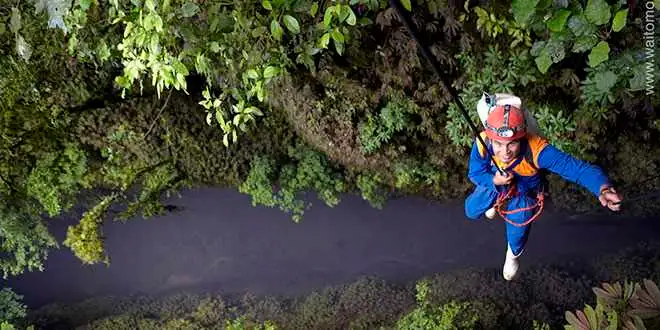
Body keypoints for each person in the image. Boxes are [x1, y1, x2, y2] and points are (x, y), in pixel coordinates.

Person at [464, 103, 623, 281]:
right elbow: (475, 173)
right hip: (496, 181)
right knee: (471, 210)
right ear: (491, 138)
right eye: (498, 144)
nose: (505, 152)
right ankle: (494, 202)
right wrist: (493, 181)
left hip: (525, 190)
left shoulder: (538, 150)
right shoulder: (483, 142)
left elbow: (577, 169)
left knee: (519, 225)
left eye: (513, 143)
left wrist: (602, 187)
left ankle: (513, 255)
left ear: (522, 137)